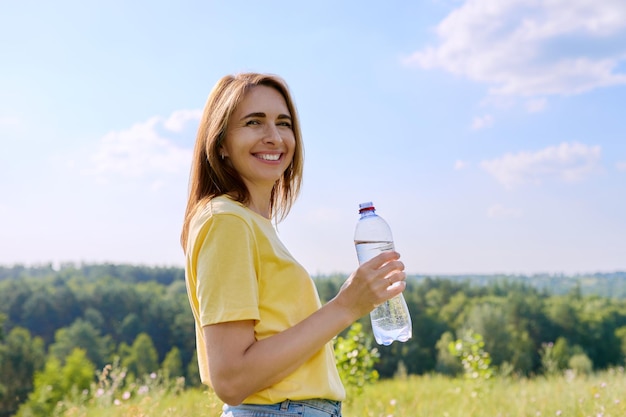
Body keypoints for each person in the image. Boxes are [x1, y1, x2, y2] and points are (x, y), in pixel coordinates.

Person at [180, 72, 407, 417]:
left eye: (283, 123)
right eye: (254, 122)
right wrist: (346, 306)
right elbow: (231, 378)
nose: (274, 137)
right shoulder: (226, 222)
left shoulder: (252, 224)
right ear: (221, 142)